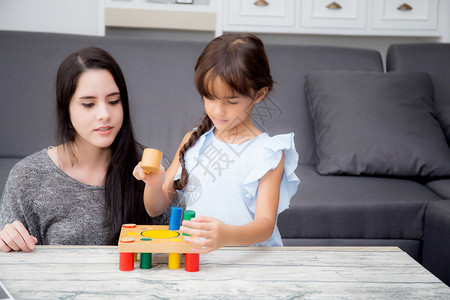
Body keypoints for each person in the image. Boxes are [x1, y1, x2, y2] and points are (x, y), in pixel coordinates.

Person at [133, 33, 300, 253]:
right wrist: (154, 184)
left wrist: (226, 236)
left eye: (231, 101)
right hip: (202, 261)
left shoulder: (268, 153)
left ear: (259, 94)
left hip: (252, 263)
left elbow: (265, 225)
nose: (218, 111)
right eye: (209, 98)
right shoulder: (192, 142)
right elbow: (155, 209)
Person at [0, 47, 170, 252]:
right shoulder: (28, 178)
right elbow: (11, 265)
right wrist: (7, 242)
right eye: (89, 104)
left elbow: (178, 249)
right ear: (66, 108)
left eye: (114, 101)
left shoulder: (151, 170)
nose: (104, 114)